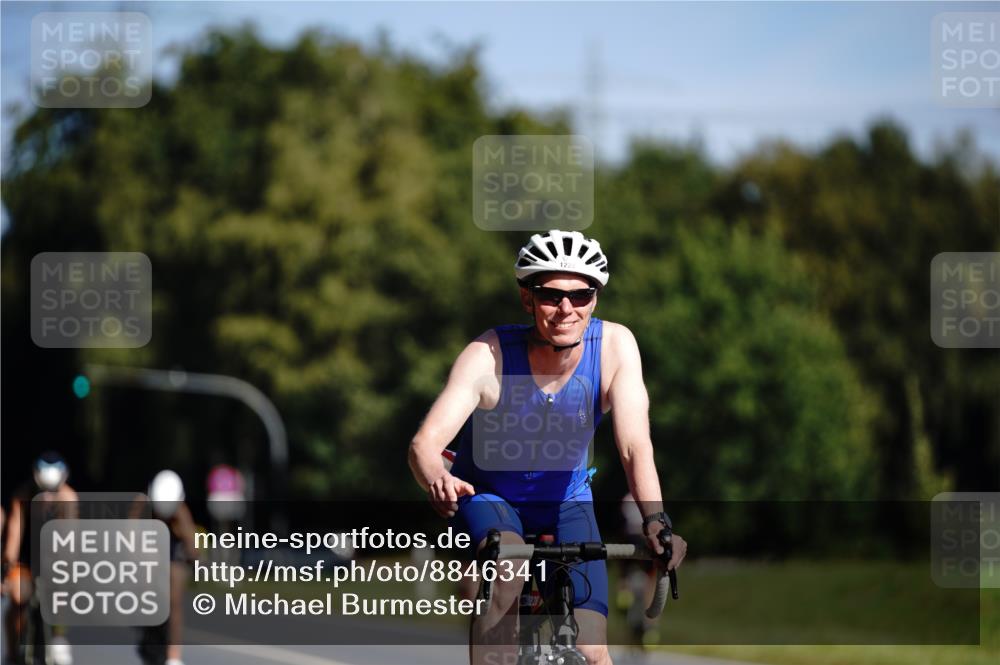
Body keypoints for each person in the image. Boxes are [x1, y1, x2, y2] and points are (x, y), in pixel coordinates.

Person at [408, 230, 688, 665]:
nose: (566, 309)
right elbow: (424, 445)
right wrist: (438, 480)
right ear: (527, 298)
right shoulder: (490, 354)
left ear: (595, 298)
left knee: (594, 650)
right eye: (550, 296)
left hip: (568, 499)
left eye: (580, 295)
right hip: (491, 498)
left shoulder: (615, 346)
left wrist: (656, 519)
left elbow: (635, 445)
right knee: (508, 569)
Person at [3, 452, 78, 665]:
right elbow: (14, 537)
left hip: (54, 558)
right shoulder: (22, 496)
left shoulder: (69, 499)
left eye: (52, 491)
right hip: (26, 559)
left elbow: (71, 541)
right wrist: (5, 569)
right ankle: (12, 653)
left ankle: (58, 635)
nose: (47, 497)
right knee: (18, 599)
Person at [132, 470, 197, 665]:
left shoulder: (181, 512)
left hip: (172, 552)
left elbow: (193, 548)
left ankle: (174, 655)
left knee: (175, 598)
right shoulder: (141, 505)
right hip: (147, 549)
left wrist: (194, 559)